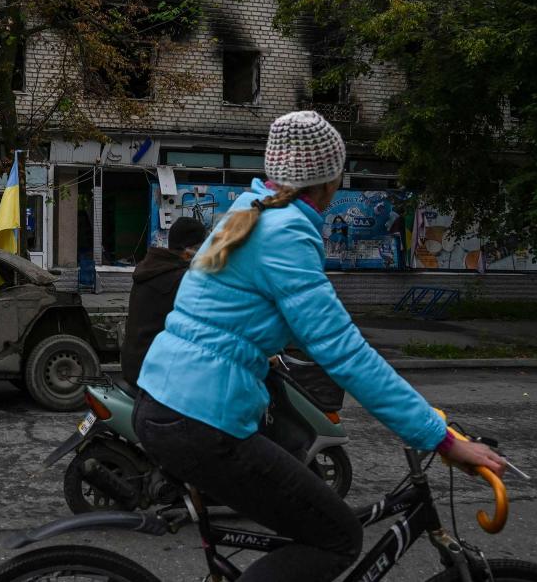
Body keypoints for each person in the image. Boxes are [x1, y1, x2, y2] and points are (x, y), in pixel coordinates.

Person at [132, 111, 505, 582]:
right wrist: (441, 438)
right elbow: (344, 352)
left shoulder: (252, 208)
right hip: (201, 419)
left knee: (302, 512)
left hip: (169, 401)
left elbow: (242, 316)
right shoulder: (285, 231)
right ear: (329, 179)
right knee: (337, 536)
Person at [120, 217, 207, 388]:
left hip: (134, 362)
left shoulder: (152, 268)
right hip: (154, 369)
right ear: (189, 250)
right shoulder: (180, 278)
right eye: (203, 247)